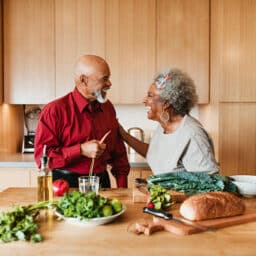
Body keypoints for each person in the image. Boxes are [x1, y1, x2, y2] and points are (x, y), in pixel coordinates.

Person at [34, 55, 130, 188]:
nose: (109, 84)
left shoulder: (108, 108)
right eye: (105, 79)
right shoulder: (54, 111)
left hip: (102, 182)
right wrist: (80, 150)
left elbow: (119, 155)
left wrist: (122, 188)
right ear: (83, 80)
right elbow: (41, 159)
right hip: (65, 186)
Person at [119, 68, 219, 174]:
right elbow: (154, 153)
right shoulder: (163, 127)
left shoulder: (192, 134)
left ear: (166, 103)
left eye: (150, 96)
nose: (144, 100)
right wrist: (124, 135)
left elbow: (209, 181)